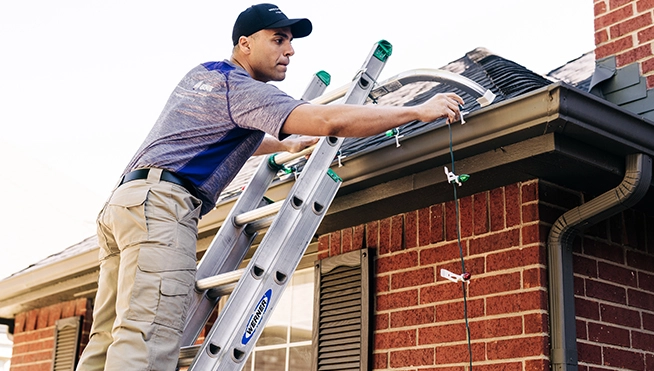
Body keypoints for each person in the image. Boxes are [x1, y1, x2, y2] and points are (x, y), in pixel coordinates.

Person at [76, 3, 463, 371]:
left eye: (291, 42)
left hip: (125, 205)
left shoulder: (206, 74)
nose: (290, 50)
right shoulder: (244, 88)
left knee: (108, 338)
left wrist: (286, 143)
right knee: (147, 338)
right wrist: (417, 110)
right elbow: (329, 120)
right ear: (245, 44)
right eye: (278, 39)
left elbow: (221, 133)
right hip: (161, 209)